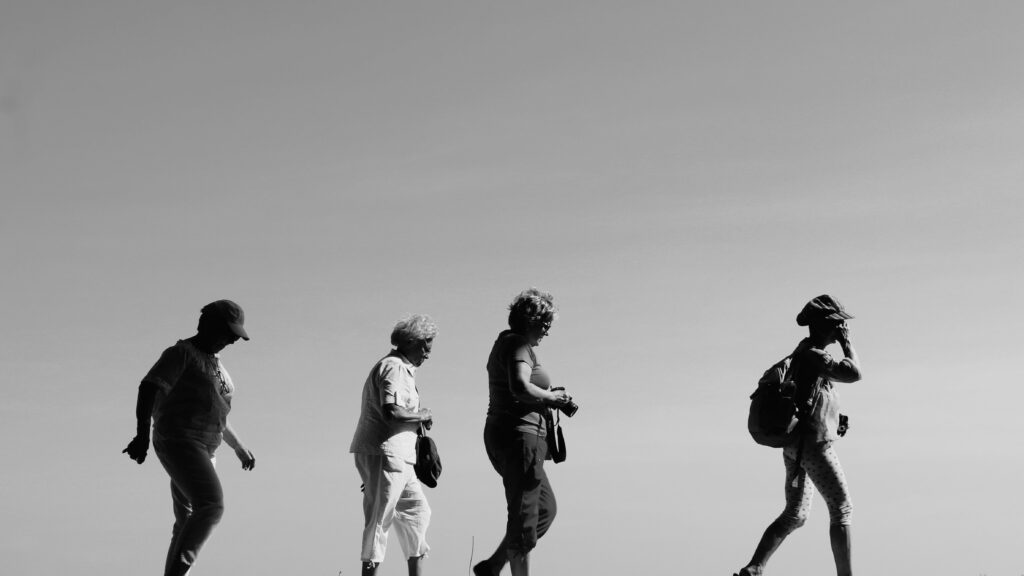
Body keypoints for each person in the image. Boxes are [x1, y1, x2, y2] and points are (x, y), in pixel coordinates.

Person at [123, 299, 256, 576]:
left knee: (185, 519)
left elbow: (215, 411)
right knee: (212, 504)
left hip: (206, 447)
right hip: (179, 440)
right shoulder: (181, 353)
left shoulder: (215, 363)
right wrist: (140, 435)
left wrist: (238, 447)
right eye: (229, 334)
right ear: (208, 326)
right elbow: (149, 388)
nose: (232, 341)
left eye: (236, 337)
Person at [735, 295, 863, 576]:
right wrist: (847, 343)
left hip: (796, 446)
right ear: (827, 324)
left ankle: (755, 568)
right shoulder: (815, 355)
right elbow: (854, 373)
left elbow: (812, 396)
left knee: (795, 513)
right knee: (842, 509)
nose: (842, 326)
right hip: (813, 446)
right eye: (838, 322)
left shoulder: (804, 352)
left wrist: (836, 417)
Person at [474, 288, 574, 576]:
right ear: (529, 320)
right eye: (544, 324)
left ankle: (492, 567)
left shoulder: (507, 344)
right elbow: (519, 386)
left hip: (514, 435)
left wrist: (547, 394)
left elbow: (519, 387)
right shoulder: (517, 345)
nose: (547, 331)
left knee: (544, 510)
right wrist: (551, 398)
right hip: (520, 436)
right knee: (525, 519)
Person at [350, 314, 437, 576]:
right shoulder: (395, 367)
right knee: (380, 519)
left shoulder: (397, 367)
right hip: (387, 452)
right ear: (413, 342)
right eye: (426, 347)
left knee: (417, 512)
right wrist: (422, 415)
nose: (427, 355)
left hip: (397, 454)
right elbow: (392, 412)